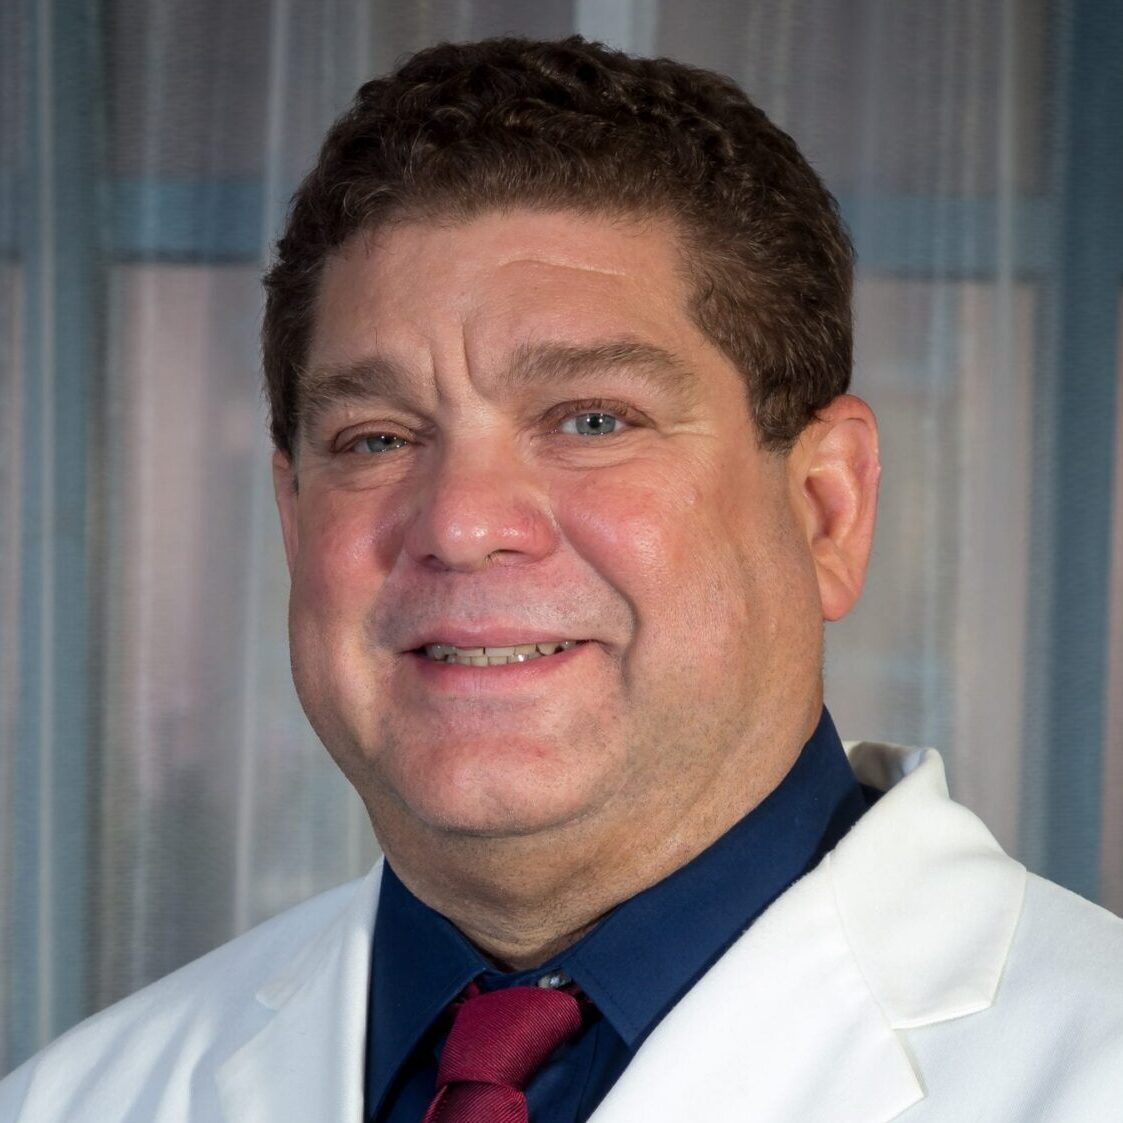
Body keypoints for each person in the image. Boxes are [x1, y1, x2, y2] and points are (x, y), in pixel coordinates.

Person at [2, 34, 1121, 1123]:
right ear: (294, 519)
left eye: (592, 419)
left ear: (826, 508)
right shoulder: (77, 1098)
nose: (461, 524)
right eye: (376, 438)